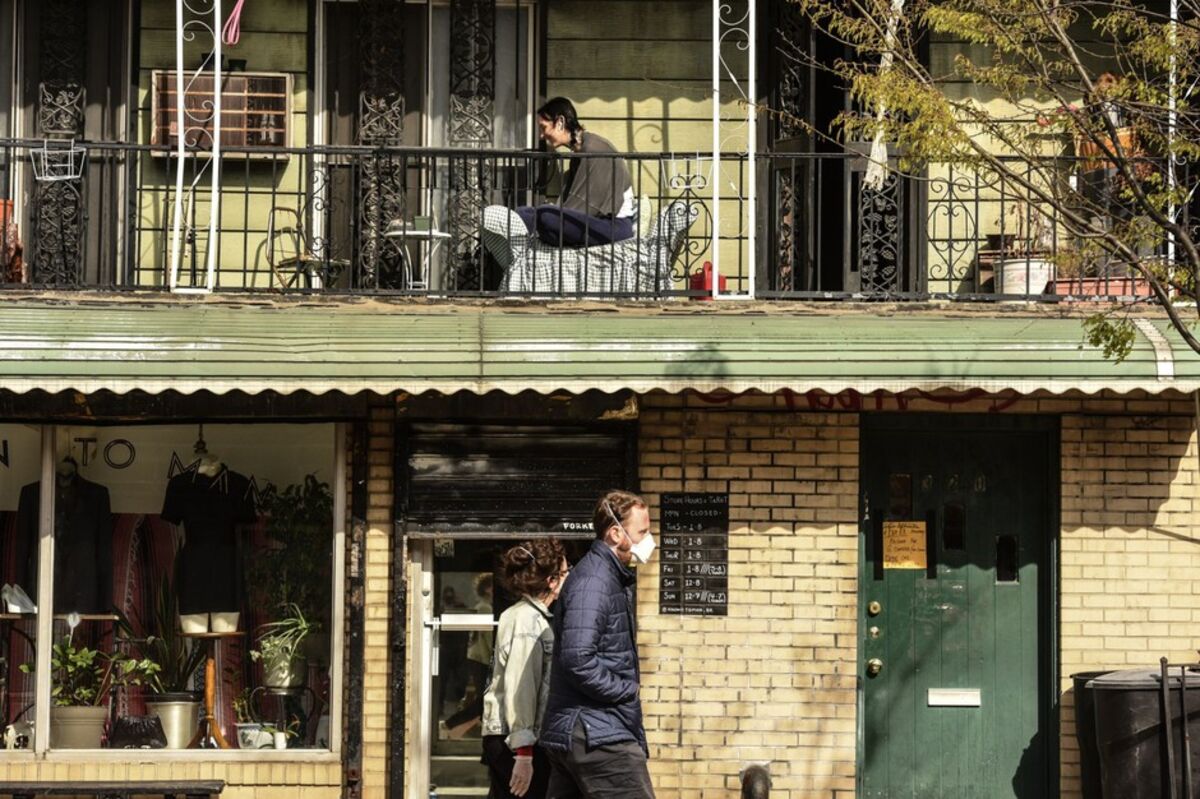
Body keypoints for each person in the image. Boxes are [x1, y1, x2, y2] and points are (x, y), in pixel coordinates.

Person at [539, 489, 658, 799]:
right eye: (642, 532)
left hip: (585, 731)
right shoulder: (594, 582)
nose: (649, 540)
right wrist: (625, 689)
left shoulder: (605, 577)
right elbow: (577, 658)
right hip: (598, 734)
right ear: (616, 532)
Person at [480, 539, 569, 799]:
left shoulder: (525, 615)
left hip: (511, 738)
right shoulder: (527, 621)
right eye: (565, 573)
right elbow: (521, 687)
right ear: (552, 580)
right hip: (516, 741)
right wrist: (524, 753)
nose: (568, 578)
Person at [516, 97, 636, 248]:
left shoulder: (595, 150)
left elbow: (588, 207)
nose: (541, 135)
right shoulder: (580, 153)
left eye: (543, 127)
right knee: (527, 212)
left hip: (614, 227)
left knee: (546, 216)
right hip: (598, 224)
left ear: (560, 123)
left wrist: (551, 215)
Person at [445, 573, 496, 738]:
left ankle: (453, 726)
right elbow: (486, 636)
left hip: (477, 657)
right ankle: (451, 724)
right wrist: (493, 658)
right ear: (488, 589)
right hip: (481, 658)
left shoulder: (482, 607)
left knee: (483, 699)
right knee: (484, 699)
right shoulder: (485, 608)